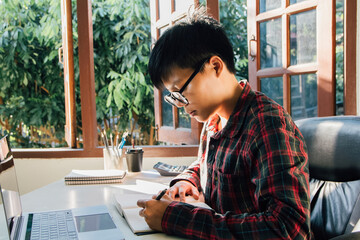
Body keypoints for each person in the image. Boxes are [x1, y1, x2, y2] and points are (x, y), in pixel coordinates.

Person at [137, 8, 311, 240]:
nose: (179, 104)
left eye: (180, 91)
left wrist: (174, 218)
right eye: (173, 96)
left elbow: (289, 228)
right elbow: (205, 165)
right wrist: (187, 180)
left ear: (215, 66)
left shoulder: (267, 125)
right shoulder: (214, 121)